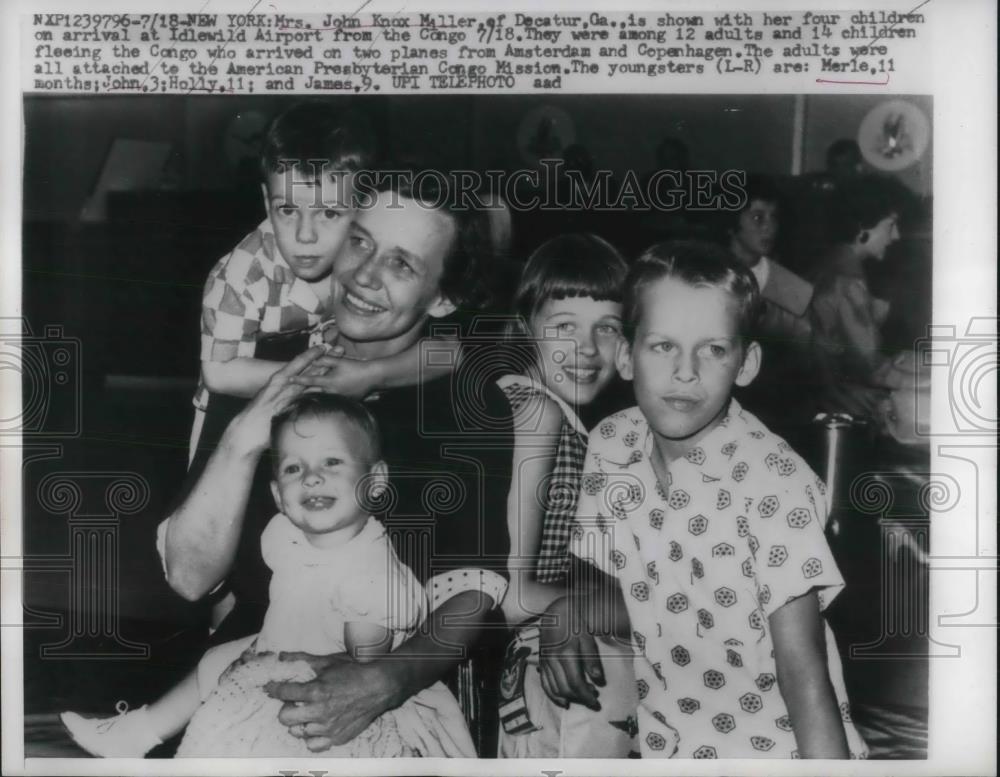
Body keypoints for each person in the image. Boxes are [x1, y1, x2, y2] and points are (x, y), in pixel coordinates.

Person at [153, 170, 513, 755]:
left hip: (396, 692)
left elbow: (471, 592)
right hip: (251, 689)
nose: (365, 276)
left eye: (403, 264)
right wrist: (247, 433)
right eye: (361, 241)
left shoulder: (469, 405)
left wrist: (381, 683)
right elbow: (190, 580)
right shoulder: (261, 365)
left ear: (443, 297)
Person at [538, 241, 868, 758]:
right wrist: (569, 607)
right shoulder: (611, 444)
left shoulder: (774, 484)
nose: (686, 371)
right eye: (662, 346)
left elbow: (803, 672)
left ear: (746, 362)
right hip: (668, 747)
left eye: (713, 349)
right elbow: (646, 604)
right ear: (625, 355)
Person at [61, 395, 474, 757]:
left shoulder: (373, 576)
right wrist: (262, 652)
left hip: (336, 686)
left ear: (376, 482)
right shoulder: (282, 534)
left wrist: (269, 665)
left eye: (333, 462)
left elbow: (364, 667)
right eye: (294, 468)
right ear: (278, 495)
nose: (312, 476)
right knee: (214, 661)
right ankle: (136, 734)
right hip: (280, 651)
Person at [191, 102, 459, 461]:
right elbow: (219, 374)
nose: (304, 236)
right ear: (267, 202)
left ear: (364, 205)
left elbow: (452, 352)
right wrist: (324, 381)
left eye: (330, 213)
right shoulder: (238, 278)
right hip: (229, 416)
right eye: (287, 210)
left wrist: (370, 375)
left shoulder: (358, 259)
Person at [494, 234, 638, 758]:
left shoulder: (562, 416)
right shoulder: (537, 412)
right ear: (524, 325)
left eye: (608, 328)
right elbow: (513, 596)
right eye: (564, 327)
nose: (587, 348)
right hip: (539, 672)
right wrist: (597, 606)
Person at [809, 174, 908, 421]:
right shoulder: (847, 279)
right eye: (890, 225)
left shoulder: (831, 262)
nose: (896, 236)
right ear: (863, 228)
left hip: (827, 396)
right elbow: (871, 368)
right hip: (839, 407)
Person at [724, 175, 816, 436]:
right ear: (731, 224)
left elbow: (803, 372)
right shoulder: (703, 278)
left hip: (773, 421)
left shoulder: (794, 291)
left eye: (774, 218)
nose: (769, 228)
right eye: (757, 218)